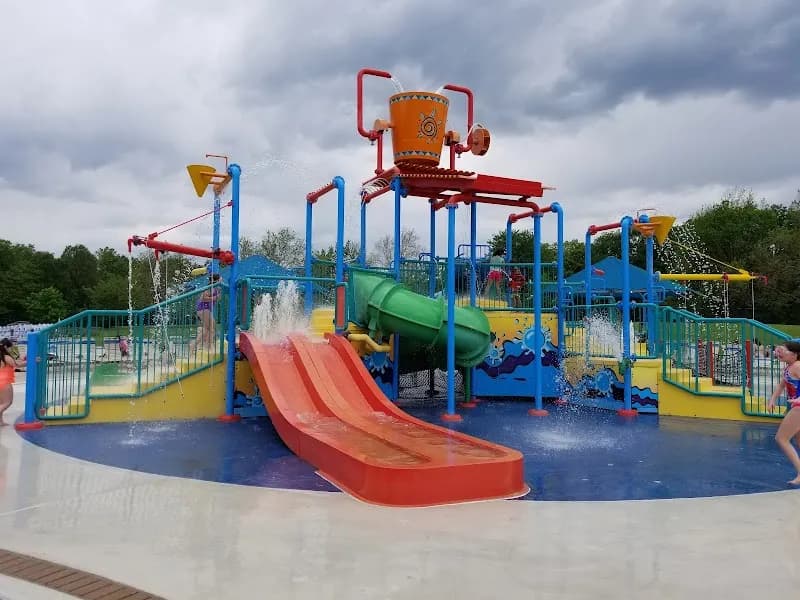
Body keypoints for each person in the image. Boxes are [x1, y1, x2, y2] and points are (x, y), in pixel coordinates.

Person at [767, 340, 800, 485]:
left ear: (795, 354)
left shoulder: (798, 366)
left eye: (785, 350)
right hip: (795, 406)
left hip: (798, 407)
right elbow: (781, 386)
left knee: (781, 438)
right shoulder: (789, 367)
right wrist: (772, 399)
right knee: (799, 441)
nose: (780, 353)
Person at [191, 273, 222, 352]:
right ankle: (207, 346)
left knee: (209, 329)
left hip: (205, 309)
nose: (222, 279)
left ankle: (197, 345)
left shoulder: (216, 288)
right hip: (204, 308)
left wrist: (217, 297)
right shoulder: (211, 288)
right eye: (220, 278)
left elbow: (216, 299)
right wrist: (216, 297)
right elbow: (204, 298)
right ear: (217, 280)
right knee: (211, 328)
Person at [0, 338, 25, 426]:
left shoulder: (2, 357)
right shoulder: (6, 357)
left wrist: (24, 359)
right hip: (4, 381)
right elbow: (17, 365)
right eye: (10, 347)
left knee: (1, 403)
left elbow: (15, 362)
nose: (12, 349)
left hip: (1, 381)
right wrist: (31, 361)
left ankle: (0, 421)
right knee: (8, 402)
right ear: (6, 347)